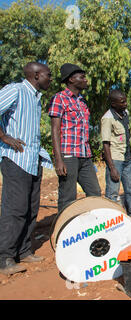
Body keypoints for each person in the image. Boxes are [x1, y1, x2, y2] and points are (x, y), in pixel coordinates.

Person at [0, 62, 53, 275]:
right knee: (15, 210)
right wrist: (4, 137)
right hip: (15, 161)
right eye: (48, 75)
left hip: (32, 161)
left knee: (31, 209)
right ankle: (5, 257)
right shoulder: (16, 90)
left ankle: (24, 251)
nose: (50, 78)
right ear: (37, 75)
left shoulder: (36, 98)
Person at [48, 63, 101, 213]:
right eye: (82, 77)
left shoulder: (82, 101)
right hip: (68, 155)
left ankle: (93, 228)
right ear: (71, 79)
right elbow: (55, 129)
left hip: (85, 155)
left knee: (95, 192)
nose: (86, 80)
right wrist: (58, 159)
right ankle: (64, 231)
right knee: (68, 196)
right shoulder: (60, 99)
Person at [101, 90, 131, 228]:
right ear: (113, 103)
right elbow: (106, 143)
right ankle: (111, 221)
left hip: (127, 158)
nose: (125, 104)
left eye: (125, 100)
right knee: (113, 192)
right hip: (115, 159)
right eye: (122, 102)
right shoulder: (108, 118)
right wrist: (112, 168)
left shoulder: (124, 114)